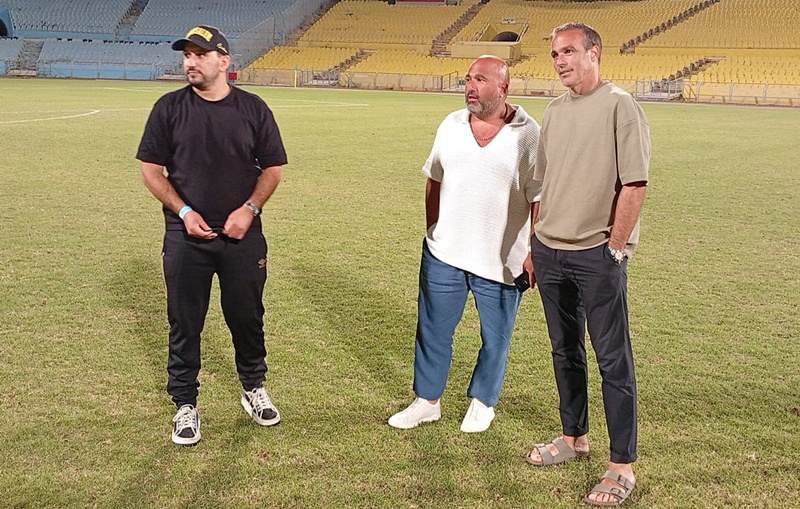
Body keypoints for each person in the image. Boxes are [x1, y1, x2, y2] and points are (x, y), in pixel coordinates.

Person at [136, 25, 288, 446]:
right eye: (187, 54)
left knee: (247, 316)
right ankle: (185, 405)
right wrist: (184, 211)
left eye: (200, 54)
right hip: (186, 237)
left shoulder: (253, 109)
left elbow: (273, 169)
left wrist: (249, 209)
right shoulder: (168, 108)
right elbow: (151, 170)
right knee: (185, 321)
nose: (191, 62)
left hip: (243, 236)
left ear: (224, 61)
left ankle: (253, 388)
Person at [525, 22, 650, 506]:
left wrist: (615, 249)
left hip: (596, 255)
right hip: (550, 251)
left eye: (569, 51)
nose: (560, 61)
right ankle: (574, 438)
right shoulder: (554, 111)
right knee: (565, 351)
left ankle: (621, 466)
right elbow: (542, 184)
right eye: (555, 54)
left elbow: (634, 183)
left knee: (613, 359)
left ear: (594, 53)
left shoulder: (620, 105)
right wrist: (535, 242)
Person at [388, 55, 540, 433]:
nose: (470, 86)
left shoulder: (528, 134)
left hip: (501, 261)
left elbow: (540, 197)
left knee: (495, 338)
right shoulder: (451, 124)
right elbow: (434, 179)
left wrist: (535, 250)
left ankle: (483, 402)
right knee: (433, 330)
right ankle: (427, 401)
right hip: (445, 253)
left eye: (481, 80)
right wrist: (433, 228)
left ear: (503, 88)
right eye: (468, 79)